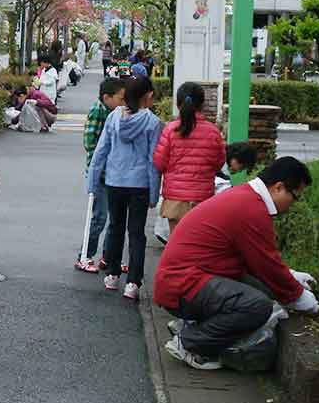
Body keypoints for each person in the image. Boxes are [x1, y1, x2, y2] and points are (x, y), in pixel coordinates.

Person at [154, 157, 319, 370]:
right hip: (183, 285)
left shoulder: (246, 198)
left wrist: (291, 276)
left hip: (183, 280)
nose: (293, 204)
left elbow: (258, 260)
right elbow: (266, 265)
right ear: (278, 187)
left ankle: (191, 327)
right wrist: (297, 296)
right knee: (256, 306)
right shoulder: (252, 209)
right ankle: (188, 343)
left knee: (262, 291)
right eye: (295, 197)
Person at [88, 77, 162, 300]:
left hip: (114, 181)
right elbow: (153, 160)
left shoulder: (114, 117)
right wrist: (153, 191)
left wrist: (92, 181)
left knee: (115, 227)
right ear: (147, 96)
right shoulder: (152, 122)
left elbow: (101, 151)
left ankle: (112, 274)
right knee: (137, 233)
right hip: (139, 184)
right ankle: (133, 283)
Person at [153, 82, 226, 236]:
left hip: (175, 200)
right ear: (202, 104)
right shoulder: (213, 132)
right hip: (202, 200)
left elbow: (159, 163)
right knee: (197, 246)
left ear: (178, 105)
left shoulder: (170, 130)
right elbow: (219, 163)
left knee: (177, 245)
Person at [77, 79, 127, 273]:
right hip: (99, 174)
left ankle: (109, 256)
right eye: (120, 99)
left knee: (114, 217)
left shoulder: (114, 112)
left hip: (113, 174)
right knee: (99, 217)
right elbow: (90, 142)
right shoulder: (99, 110)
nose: (123, 103)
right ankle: (85, 255)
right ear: (107, 97)